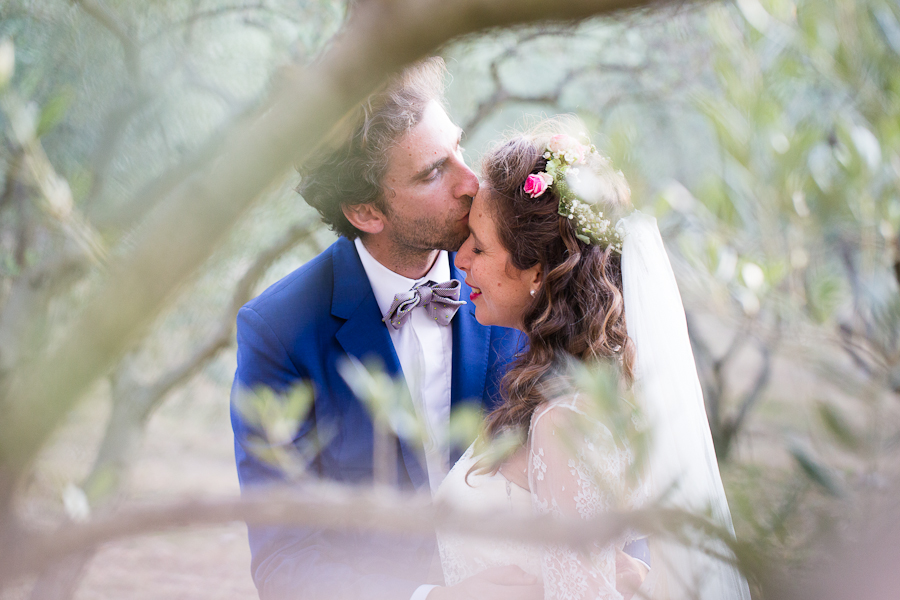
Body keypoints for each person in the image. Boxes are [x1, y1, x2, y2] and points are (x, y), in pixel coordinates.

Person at [230, 57, 538, 600]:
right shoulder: (278, 331)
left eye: (459, 149)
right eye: (432, 172)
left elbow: (597, 470)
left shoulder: (525, 282)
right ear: (367, 212)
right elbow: (284, 560)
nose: (471, 183)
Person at [436, 126, 752, 600]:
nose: (459, 259)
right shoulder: (589, 383)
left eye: (478, 247)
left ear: (538, 271)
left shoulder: (568, 420)